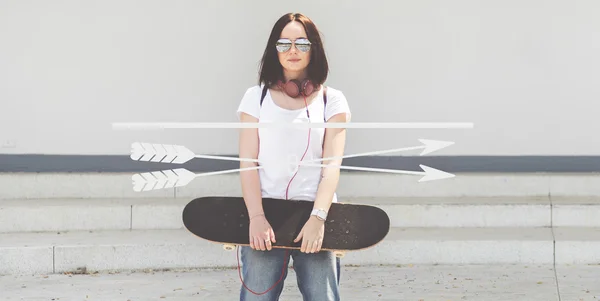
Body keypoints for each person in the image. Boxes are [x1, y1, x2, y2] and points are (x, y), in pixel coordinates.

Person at [235, 12, 351, 301]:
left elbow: (331, 166)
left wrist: (318, 218)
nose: (293, 51)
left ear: (314, 48)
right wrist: (257, 217)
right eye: (284, 43)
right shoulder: (255, 97)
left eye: (302, 43)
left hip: (314, 219)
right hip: (266, 221)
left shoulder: (332, 100)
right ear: (274, 50)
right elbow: (248, 163)